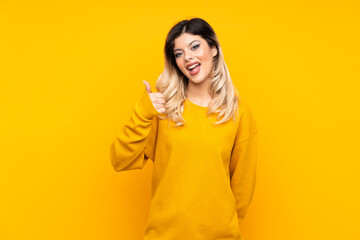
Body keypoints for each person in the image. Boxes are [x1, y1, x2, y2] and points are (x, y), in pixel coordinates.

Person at [110, 17, 258, 240]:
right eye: (178, 53)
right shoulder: (162, 109)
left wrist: (222, 228)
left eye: (195, 46)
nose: (187, 56)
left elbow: (242, 186)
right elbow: (120, 160)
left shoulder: (238, 113)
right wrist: (142, 113)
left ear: (214, 49)